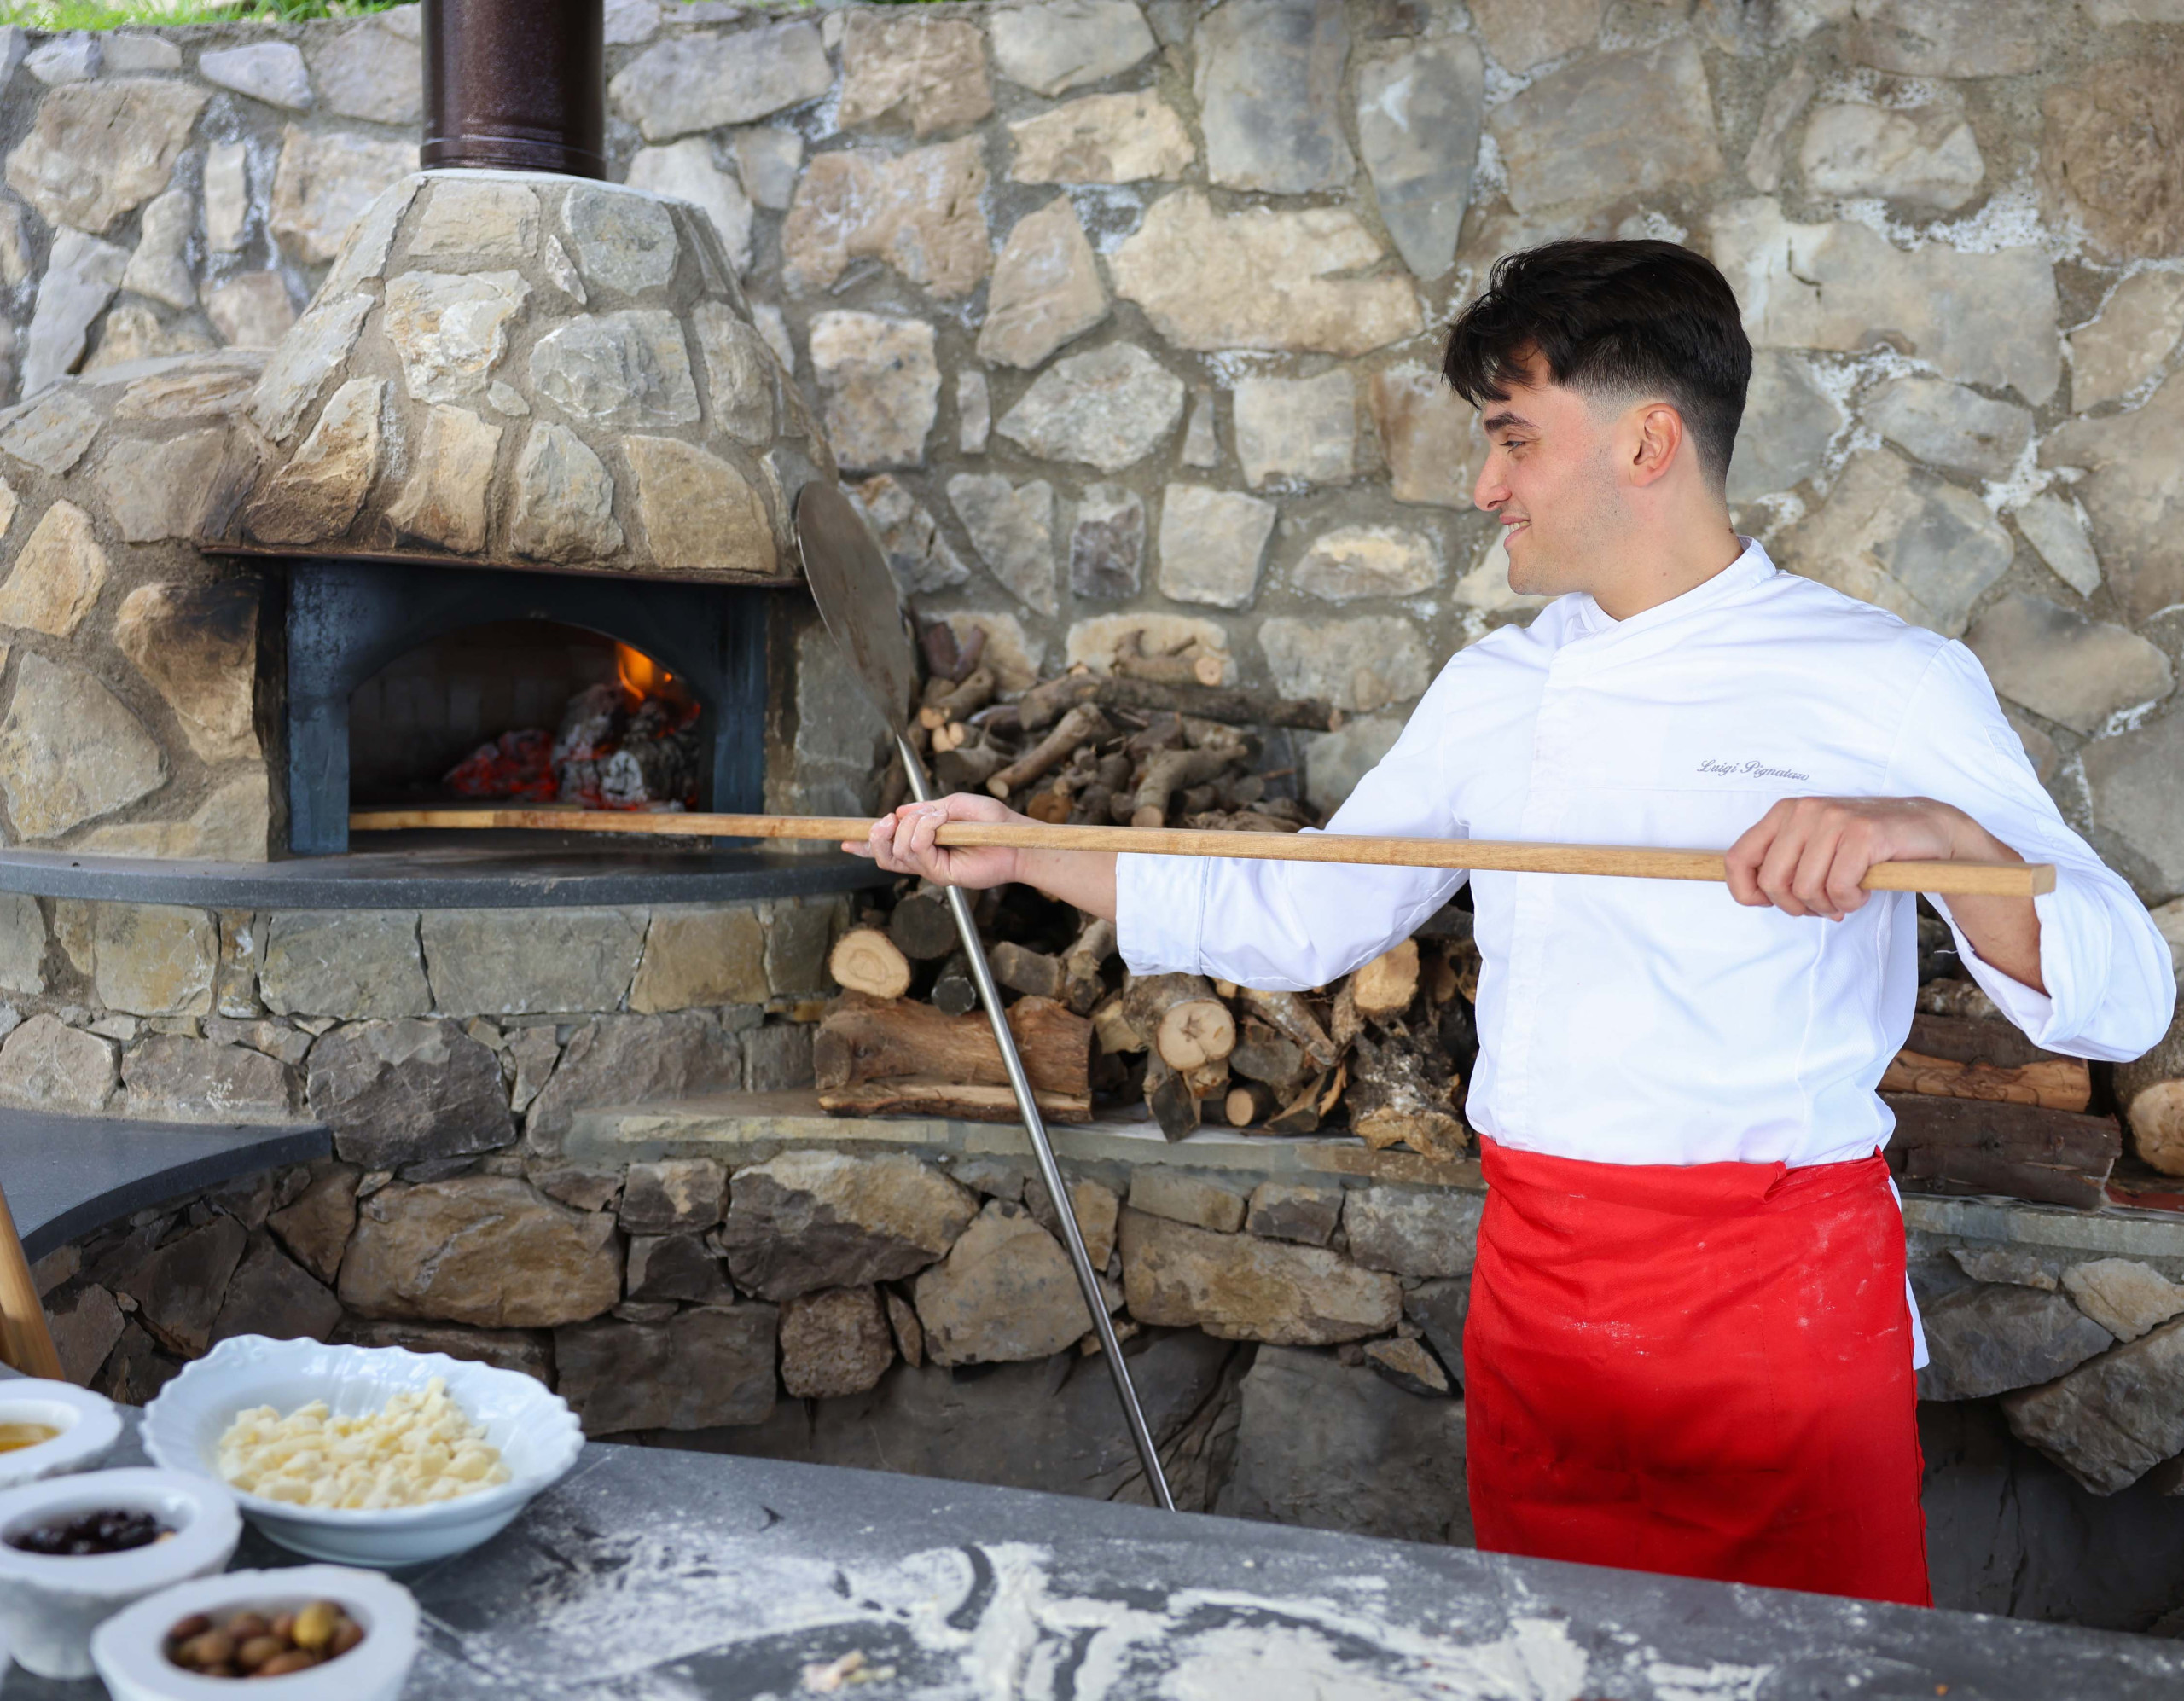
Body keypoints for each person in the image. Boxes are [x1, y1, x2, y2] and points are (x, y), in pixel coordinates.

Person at [848, 240, 2175, 1605]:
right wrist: (1029, 848)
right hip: (1541, 1300)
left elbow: (2126, 992)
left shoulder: (1884, 679)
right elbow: (1305, 910)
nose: (1485, 485)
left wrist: (1944, 840)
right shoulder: (1498, 687)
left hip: (1775, 1311)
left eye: (1513, 438)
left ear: (1647, 442)